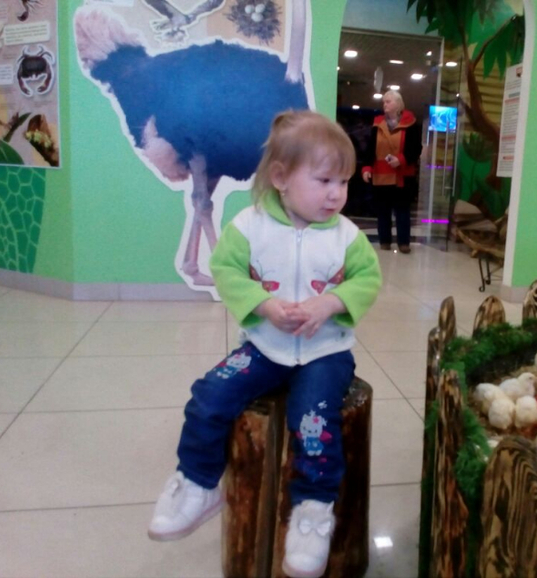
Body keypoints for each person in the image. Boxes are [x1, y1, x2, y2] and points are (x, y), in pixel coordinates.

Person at [147, 111, 382, 578]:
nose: (336, 193)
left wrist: (331, 302)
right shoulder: (249, 226)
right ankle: (197, 483)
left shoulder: (347, 236)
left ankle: (313, 510)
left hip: (326, 353)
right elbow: (226, 269)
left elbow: (368, 279)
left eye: (343, 182)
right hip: (265, 348)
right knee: (209, 395)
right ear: (281, 178)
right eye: (324, 180)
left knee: (312, 420)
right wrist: (264, 305)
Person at [361, 90, 421, 254]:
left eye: (388, 102)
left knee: (402, 211)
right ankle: (385, 241)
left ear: (398, 104)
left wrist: (401, 160)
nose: (384, 105)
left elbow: (416, 148)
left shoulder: (411, 123)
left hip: (402, 176)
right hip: (380, 175)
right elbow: (370, 149)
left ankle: (403, 243)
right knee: (383, 211)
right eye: (384, 102)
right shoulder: (377, 124)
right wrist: (367, 168)